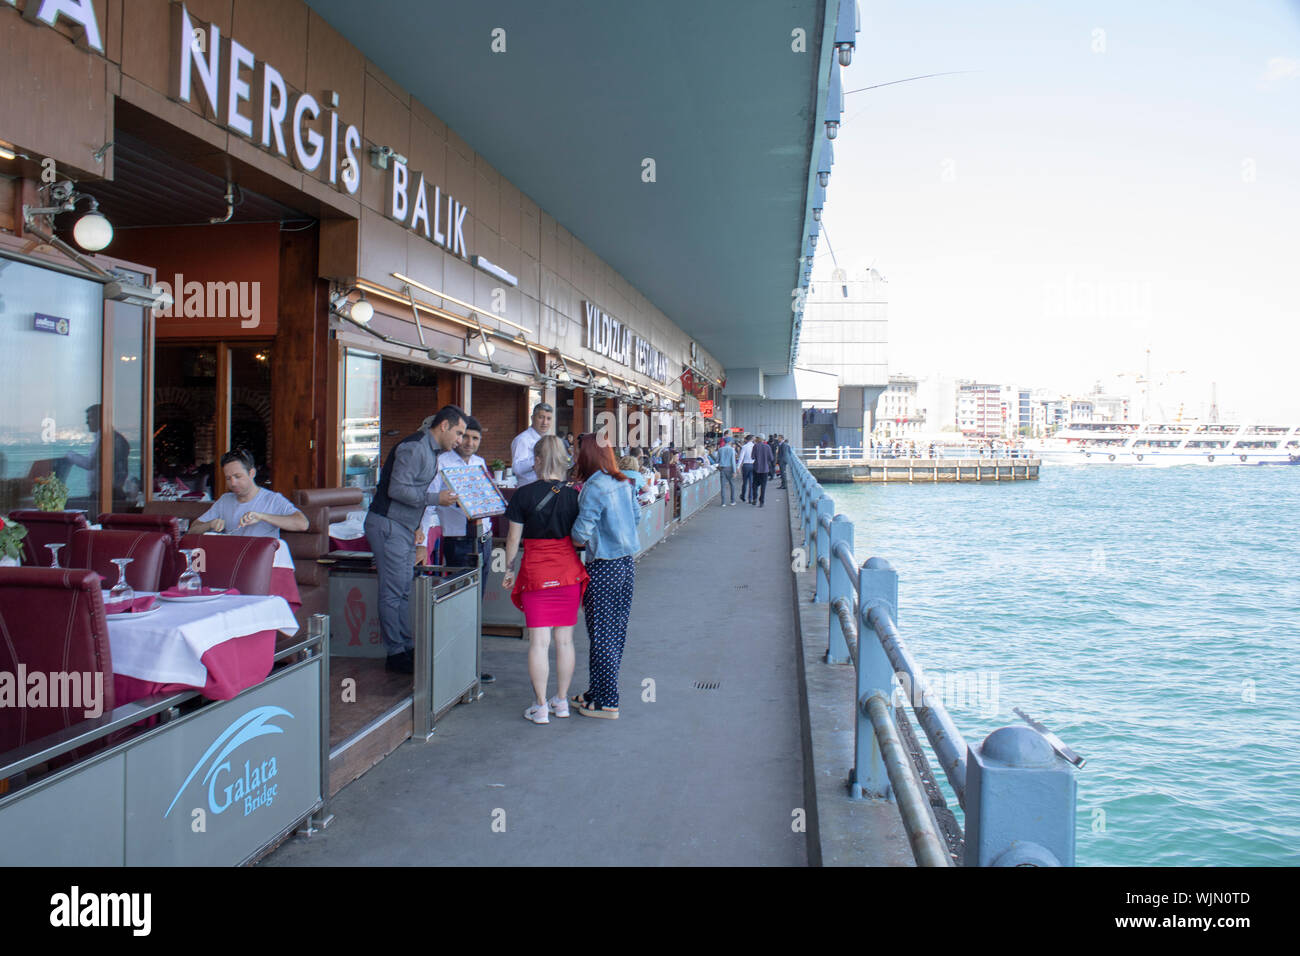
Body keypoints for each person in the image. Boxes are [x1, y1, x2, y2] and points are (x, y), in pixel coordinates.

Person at [364, 405, 467, 674]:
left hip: (401, 526)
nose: (460, 440)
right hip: (389, 524)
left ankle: (405, 647)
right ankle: (396, 653)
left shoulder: (428, 450)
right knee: (393, 591)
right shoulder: (414, 448)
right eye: (458, 433)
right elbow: (398, 489)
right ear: (443, 425)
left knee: (402, 590)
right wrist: (436, 499)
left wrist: (414, 525)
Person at [500, 435, 586, 724]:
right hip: (567, 571)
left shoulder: (523, 495)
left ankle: (540, 707)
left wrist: (509, 569)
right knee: (565, 642)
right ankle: (561, 701)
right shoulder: (575, 494)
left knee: (539, 643)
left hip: (536, 572)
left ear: (536, 460)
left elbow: (513, 538)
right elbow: (581, 535)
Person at [569, 433, 640, 719]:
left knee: (600, 633)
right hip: (626, 564)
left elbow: (580, 533)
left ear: (587, 454)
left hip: (602, 567)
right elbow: (636, 518)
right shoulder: (623, 482)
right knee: (615, 632)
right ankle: (596, 691)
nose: (574, 457)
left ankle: (607, 700)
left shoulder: (593, 487)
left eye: (577, 451)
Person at [421, 415, 496, 684]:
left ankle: (473, 665)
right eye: (466, 437)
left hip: (483, 538)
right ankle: (452, 665)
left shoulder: (479, 463)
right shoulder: (441, 462)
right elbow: (429, 503)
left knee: (475, 605)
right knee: (457, 603)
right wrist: (422, 540)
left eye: (476, 439)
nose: (470, 443)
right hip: (457, 540)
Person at [190, 449, 308, 537]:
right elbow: (193, 530)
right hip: (231, 560)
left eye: (238, 476)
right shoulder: (225, 500)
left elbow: (302, 524)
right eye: (228, 478)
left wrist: (261, 516)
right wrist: (210, 524)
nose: (233, 483)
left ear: (252, 473)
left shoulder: (272, 499)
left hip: (261, 562)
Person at [64, 404, 129, 504]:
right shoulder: (114, 438)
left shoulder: (106, 439)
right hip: (112, 493)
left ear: (100, 418)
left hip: (105, 494)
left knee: (67, 504)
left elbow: (90, 463)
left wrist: (69, 455)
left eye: (90, 418)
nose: (86, 422)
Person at [510, 402, 554, 484]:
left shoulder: (549, 439)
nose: (545, 422)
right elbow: (517, 469)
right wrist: (540, 459)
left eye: (548, 419)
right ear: (532, 418)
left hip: (547, 487)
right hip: (528, 488)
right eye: (541, 417)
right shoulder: (522, 439)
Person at [751, 435, 775, 507]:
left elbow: (752, 457)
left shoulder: (755, 446)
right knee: (763, 486)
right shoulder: (767, 447)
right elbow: (771, 458)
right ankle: (761, 502)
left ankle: (755, 498)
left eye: (757, 438)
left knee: (754, 484)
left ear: (759, 439)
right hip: (765, 469)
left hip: (756, 468)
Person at [715, 436, 738, 506]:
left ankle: (723, 502)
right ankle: (732, 501)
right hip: (730, 468)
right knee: (732, 485)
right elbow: (733, 461)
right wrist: (734, 471)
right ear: (730, 442)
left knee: (723, 486)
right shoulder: (732, 450)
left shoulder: (720, 449)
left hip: (722, 469)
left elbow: (717, 460)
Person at [738, 434, 756, 503]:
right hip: (753, 465)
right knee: (751, 483)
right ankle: (750, 498)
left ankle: (743, 496)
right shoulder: (754, 446)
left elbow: (741, 458)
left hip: (745, 465)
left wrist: (738, 467)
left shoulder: (744, 447)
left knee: (745, 482)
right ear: (752, 439)